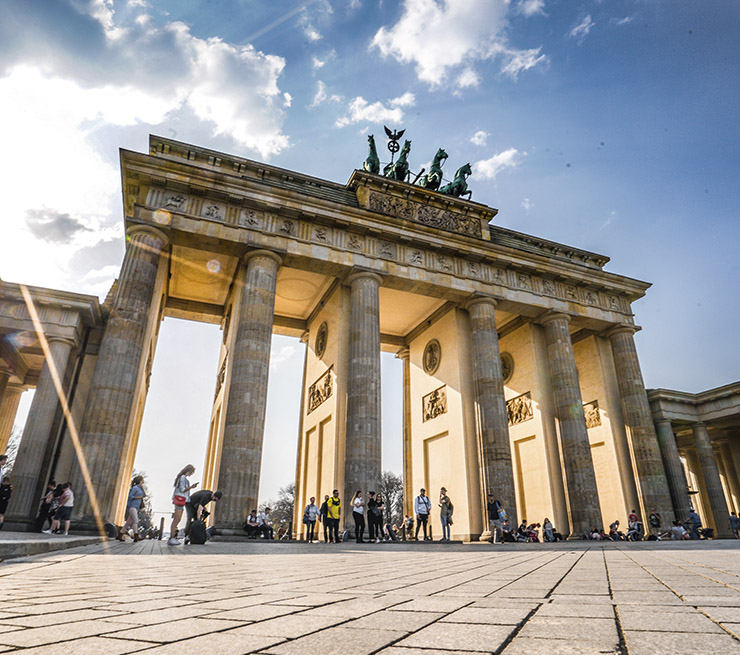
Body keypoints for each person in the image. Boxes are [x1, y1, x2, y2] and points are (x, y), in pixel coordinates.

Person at [169, 464, 198, 546]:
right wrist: (191, 487)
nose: (191, 474)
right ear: (188, 471)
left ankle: (172, 537)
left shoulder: (182, 477)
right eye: (191, 473)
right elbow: (182, 489)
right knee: (177, 519)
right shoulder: (183, 478)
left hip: (180, 500)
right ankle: (171, 538)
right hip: (180, 499)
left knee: (177, 519)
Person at [118, 475, 146, 542]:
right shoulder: (135, 488)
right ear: (140, 480)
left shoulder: (140, 488)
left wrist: (142, 488)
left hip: (136, 507)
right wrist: (139, 497)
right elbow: (130, 496)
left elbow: (144, 496)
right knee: (135, 521)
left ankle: (120, 534)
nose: (143, 480)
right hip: (132, 506)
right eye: (142, 479)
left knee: (128, 522)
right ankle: (136, 536)